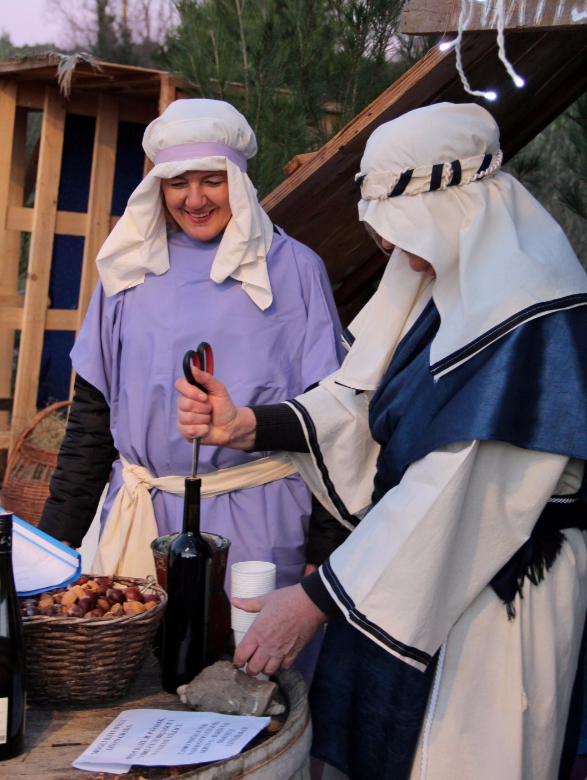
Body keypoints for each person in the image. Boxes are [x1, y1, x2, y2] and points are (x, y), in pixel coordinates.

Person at [176, 102, 587, 780]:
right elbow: (358, 397)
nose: (391, 250)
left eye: (400, 229)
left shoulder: (531, 320)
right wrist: (248, 425)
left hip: (503, 596)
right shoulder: (443, 273)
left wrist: (314, 600)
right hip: (415, 569)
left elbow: (454, 491)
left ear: (454, 208)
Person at [38, 98, 347, 613]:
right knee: (138, 659)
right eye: (178, 182)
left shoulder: (296, 270)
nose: (195, 199)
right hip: (145, 521)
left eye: (212, 180)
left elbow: (332, 424)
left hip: (263, 528)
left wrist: (324, 553)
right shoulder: (126, 271)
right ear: (158, 187)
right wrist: (54, 544)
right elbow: (91, 421)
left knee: (251, 659)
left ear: (239, 182)